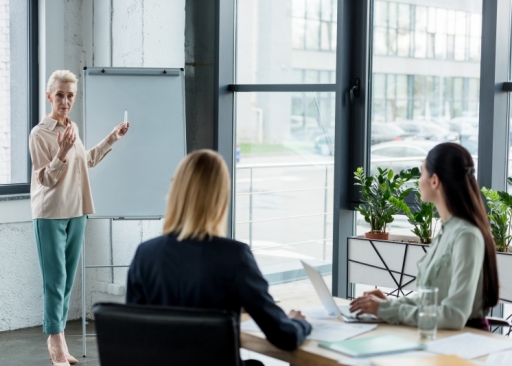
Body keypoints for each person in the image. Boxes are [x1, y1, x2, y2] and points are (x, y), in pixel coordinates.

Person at [126, 149, 312, 366]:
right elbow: (284, 336)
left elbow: (133, 332)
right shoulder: (235, 256)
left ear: (176, 192)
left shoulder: (145, 254)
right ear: (220, 198)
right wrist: (299, 323)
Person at [30, 70, 130, 366]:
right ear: (49, 96)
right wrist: (60, 153)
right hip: (50, 213)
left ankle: (57, 337)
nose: (65, 101)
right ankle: (56, 343)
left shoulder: (73, 128)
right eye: (59, 95)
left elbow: (85, 161)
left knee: (67, 281)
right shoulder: (40, 133)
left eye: (70, 95)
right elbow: (44, 178)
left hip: (77, 212)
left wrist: (112, 137)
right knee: (55, 281)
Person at [350, 142, 499, 331]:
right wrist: (389, 304)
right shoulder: (447, 230)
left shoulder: (467, 236)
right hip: (438, 335)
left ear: (435, 181)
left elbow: (454, 316)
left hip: (463, 341)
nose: (419, 181)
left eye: (421, 173)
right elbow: (430, 299)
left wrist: (387, 310)